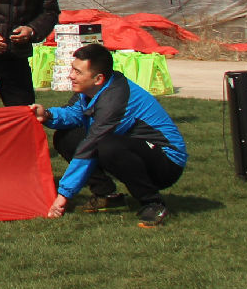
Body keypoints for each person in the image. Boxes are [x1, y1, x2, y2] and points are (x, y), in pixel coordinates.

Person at [36, 43, 188, 226]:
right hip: (134, 148)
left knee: (106, 146)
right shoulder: (90, 90)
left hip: (167, 162)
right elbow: (75, 113)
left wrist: (63, 196)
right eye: (72, 70)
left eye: (77, 72)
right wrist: (48, 115)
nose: (71, 76)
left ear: (98, 78)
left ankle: (153, 204)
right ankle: (107, 195)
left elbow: (90, 147)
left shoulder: (115, 102)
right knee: (67, 137)